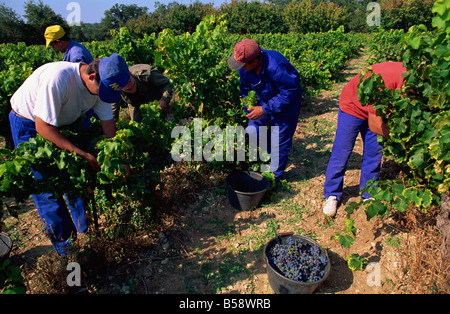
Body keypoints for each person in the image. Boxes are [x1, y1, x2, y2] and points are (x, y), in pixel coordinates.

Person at [9, 53, 130, 255]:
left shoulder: (101, 87)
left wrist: (121, 159)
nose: (104, 96)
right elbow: (43, 126)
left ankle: (86, 231)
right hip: (30, 123)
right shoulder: (59, 79)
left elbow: (108, 124)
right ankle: (69, 253)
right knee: (47, 189)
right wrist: (81, 152)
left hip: (62, 121)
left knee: (75, 177)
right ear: (92, 76)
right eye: (103, 91)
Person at [322, 61, 406, 217]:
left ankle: (369, 192)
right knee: (342, 151)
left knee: (374, 152)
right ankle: (332, 194)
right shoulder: (385, 82)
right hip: (352, 107)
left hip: (376, 110)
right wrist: (402, 139)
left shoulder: (409, 80)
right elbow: (376, 126)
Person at [228, 39, 302, 181]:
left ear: (255, 62)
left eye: (242, 65)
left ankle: (275, 177)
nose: (240, 68)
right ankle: (271, 155)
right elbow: (245, 88)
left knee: (279, 139)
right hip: (263, 99)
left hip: (287, 102)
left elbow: (290, 92)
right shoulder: (245, 67)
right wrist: (249, 107)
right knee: (253, 131)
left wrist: (264, 109)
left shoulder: (276, 66)